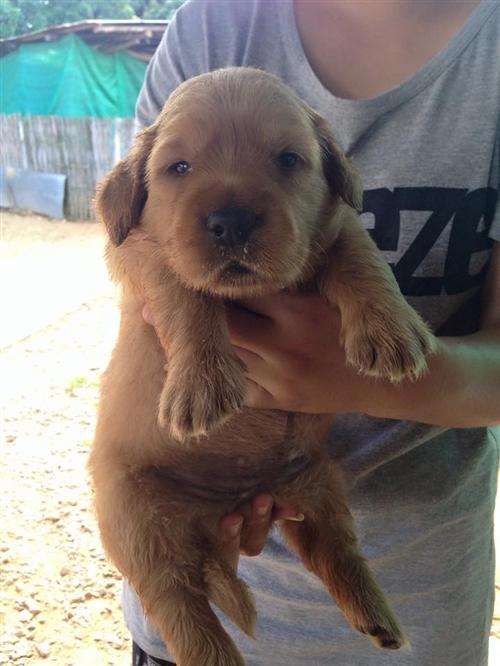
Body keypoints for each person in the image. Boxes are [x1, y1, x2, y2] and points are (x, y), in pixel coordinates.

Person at [125, 1, 500, 664]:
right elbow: (136, 241)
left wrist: (370, 380)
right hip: (172, 495)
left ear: (334, 171)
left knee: (328, 522)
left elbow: (337, 227)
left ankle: (352, 586)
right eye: (181, 167)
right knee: (164, 573)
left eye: (287, 161)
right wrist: (197, 344)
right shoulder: (212, 27)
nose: (232, 211)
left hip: (426, 588)